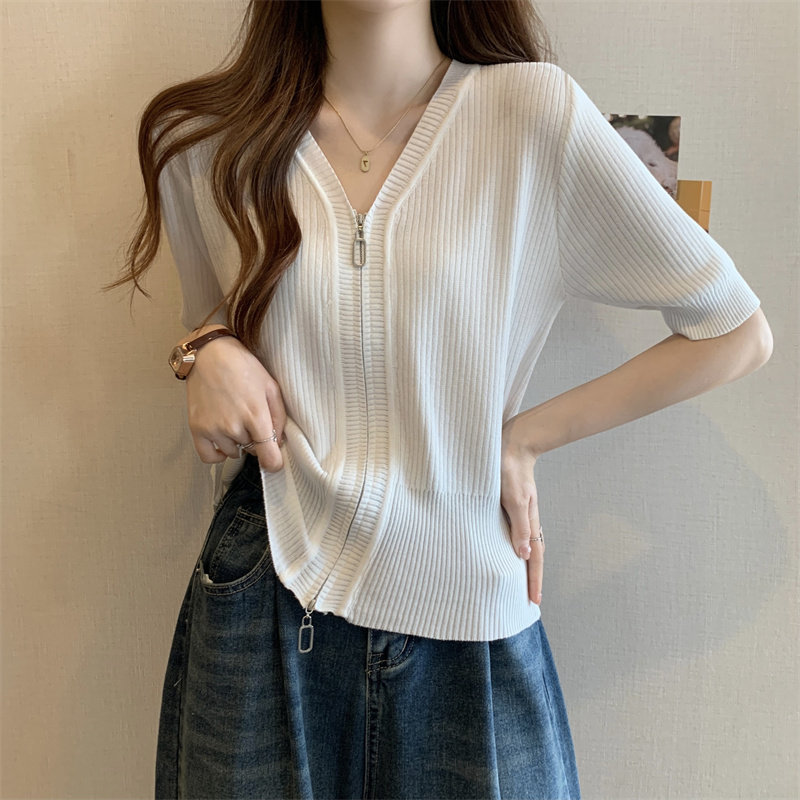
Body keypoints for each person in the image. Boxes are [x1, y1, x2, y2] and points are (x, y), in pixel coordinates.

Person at [107, 0, 772, 797]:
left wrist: (525, 439)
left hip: (469, 604)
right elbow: (210, 317)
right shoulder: (206, 140)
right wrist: (203, 352)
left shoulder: (532, 113)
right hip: (268, 591)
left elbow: (734, 330)